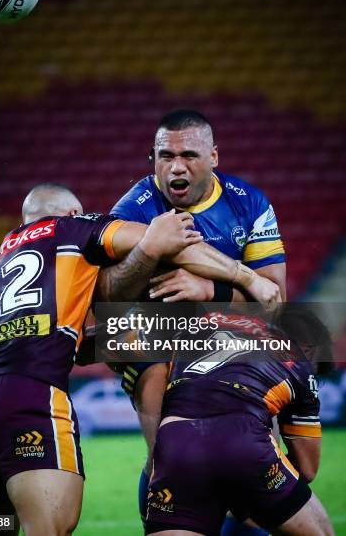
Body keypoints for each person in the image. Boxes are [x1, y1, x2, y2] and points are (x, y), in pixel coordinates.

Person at [0, 182, 279, 536]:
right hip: (29, 395)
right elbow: (168, 240)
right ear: (73, 213)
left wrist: (141, 330)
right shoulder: (73, 229)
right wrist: (247, 277)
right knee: (50, 528)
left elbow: (69, 343)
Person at [110, 108, 286, 535]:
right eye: (164, 155)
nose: (175, 166)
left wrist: (210, 291)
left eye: (188, 155)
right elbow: (109, 299)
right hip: (156, 343)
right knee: (167, 458)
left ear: (213, 157)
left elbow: (274, 297)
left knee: (263, 455)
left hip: (233, 341)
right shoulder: (133, 209)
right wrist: (148, 254)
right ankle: (163, 495)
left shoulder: (250, 204)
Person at [144, 308, 335, 536]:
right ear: (308, 349)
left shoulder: (204, 321)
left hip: (175, 440)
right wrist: (246, 491)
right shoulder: (300, 364)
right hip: (242, 441)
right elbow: (307, 469)